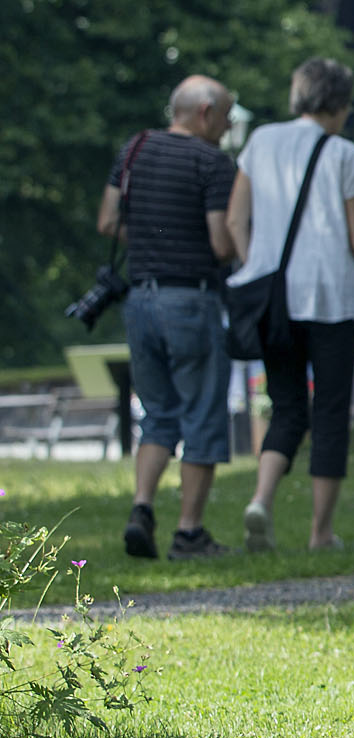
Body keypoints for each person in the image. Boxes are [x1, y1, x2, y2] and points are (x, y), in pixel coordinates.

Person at [227, 58, 354, 552]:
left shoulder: (260, 142)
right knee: (329, 411)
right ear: (342, 104)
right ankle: (320, 533)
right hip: (331, 298)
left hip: (274, 300)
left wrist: (256, 267)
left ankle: (261, 499)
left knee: (285, 406)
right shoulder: (346, 155)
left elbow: (235, 221)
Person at [99, 76, 239, 559]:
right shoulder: (212, 162)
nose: (227, 128)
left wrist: (153, 243)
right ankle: (189, 533)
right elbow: (221, 241)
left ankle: (142, 507)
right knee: (201, 415)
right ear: (204, 112)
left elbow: (108, 221)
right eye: (225, 117)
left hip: (140, 301)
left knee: (158, 416)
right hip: (191, 302)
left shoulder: (134, 148)